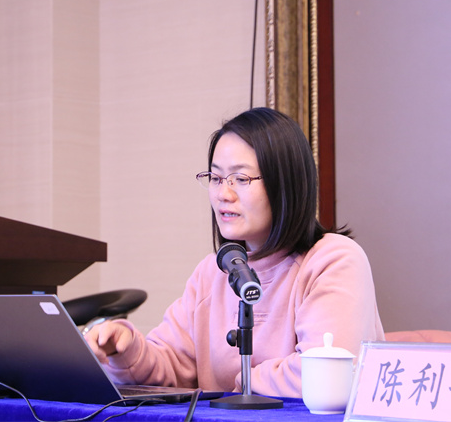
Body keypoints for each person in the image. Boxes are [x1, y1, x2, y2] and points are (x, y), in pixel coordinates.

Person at [84, 107, 384, 398]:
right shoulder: (212, 272)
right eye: (216, 178)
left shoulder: (334, 259)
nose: (223, 194)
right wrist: (126, 350)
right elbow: (172, 365)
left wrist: (241, 384)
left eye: (241, 179)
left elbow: (326, 373)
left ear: (285, 184)